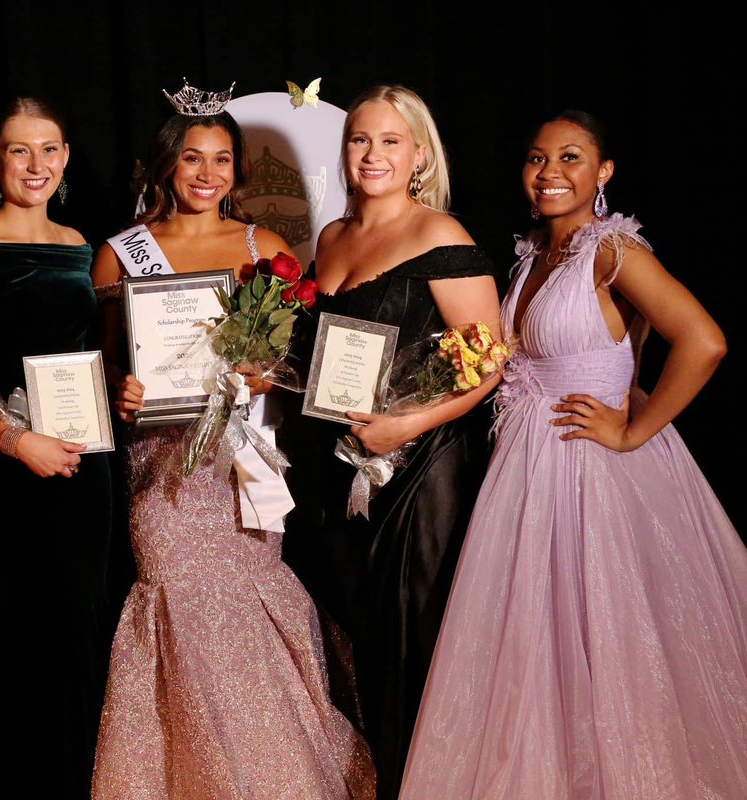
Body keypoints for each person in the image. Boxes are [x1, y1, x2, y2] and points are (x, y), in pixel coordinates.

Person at [400, 111, 747, 799]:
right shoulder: (532, 253)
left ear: (603, 172)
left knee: (607, 642)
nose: (549, 172)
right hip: (524, 473)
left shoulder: (613, 252)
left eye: (570, 158)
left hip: (592, 474)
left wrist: (631, 429)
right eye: (536, 159)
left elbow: (705, 340)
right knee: (535, 650)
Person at [90, 86, 375, 800]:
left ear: (236, 172)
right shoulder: (120, 255)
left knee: (246, 605)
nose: (207, 173)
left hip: (239, 465)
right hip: (161, 468)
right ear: (166, 166)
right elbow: (106, 369)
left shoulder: (264, 249)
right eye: (192, 158)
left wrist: (262, 377)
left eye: (221, 159)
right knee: (173, 601)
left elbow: (290, 376)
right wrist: (120, 391)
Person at [279, 84, 502, 800]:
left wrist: (407, 426)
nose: (372, 154)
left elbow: (490, 365)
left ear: (418, 156)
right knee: (354, 639)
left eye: (389, 142)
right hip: (335, 469)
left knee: (411, 642)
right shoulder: (332, 239)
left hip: (420, 471)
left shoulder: (443, 235)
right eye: (360, 140)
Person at [0, 97, 113, 798]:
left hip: (90, 465)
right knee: (40, 640)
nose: (35, 165)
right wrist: (20, 443)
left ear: (66, 156)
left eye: (49, 149)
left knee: (85, 630)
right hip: (23, 472)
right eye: (19, 150)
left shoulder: (78, 244)